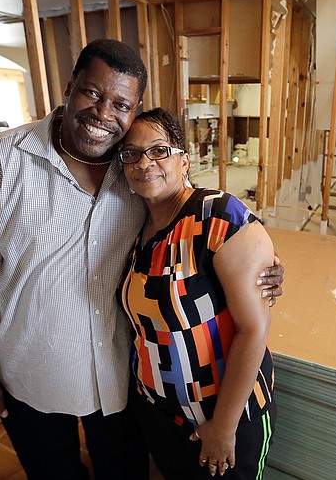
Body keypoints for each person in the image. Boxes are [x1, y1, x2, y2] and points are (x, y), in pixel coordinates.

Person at [0, 39, 284, 480]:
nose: (104, 113)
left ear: (135, 109)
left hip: (125, 385)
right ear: (69, 86)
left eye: (120, 103)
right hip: (31, 379)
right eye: (92, 93)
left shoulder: (134, 176)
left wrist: (262, 260)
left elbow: (211, 230)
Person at [118, 108, 277, 479]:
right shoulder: (135, 226)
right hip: (160, 412)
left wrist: (223, 428)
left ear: (184, 160)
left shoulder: (219, 216)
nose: (144, 163)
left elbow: (253, 330)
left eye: (158, 150)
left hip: (225, 415)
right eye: (131, 154)